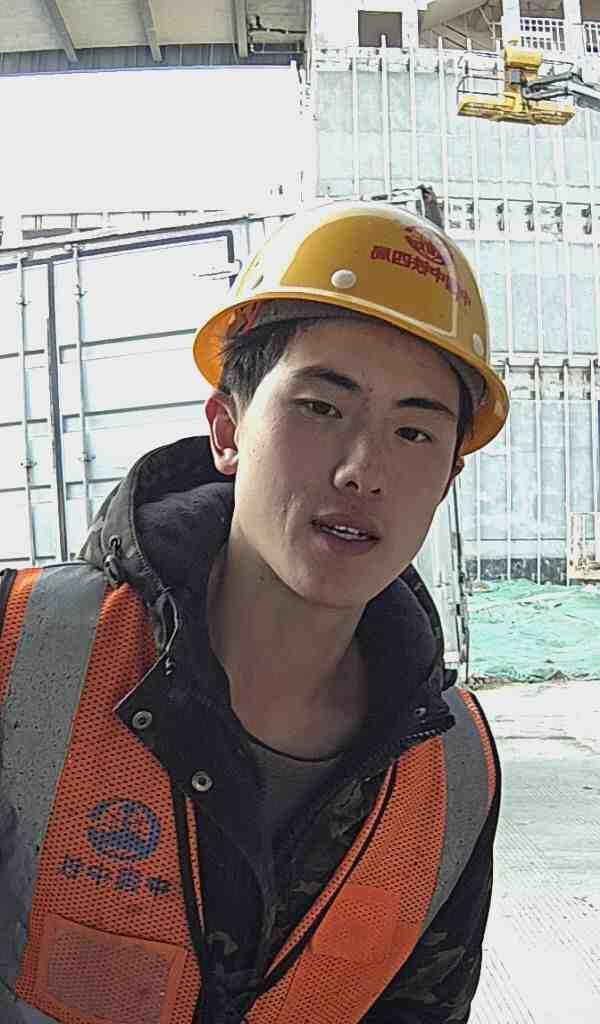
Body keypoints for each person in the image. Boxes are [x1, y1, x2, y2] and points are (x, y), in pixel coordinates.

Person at [0, 201, 508, 1024]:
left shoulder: (452, 771)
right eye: (320, 408)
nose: (363, 469)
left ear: (448, 478)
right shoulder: (22, 654)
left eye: (415, 433)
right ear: (227, 429)